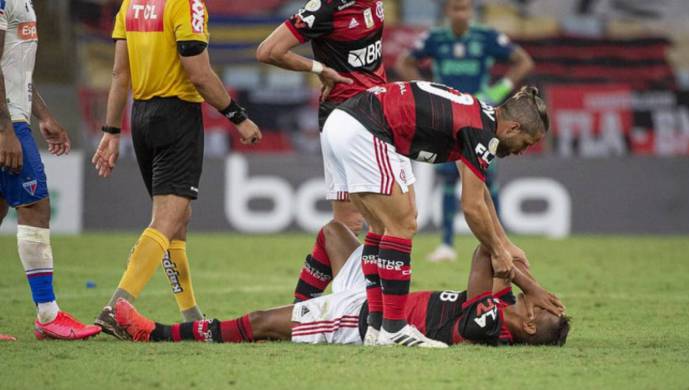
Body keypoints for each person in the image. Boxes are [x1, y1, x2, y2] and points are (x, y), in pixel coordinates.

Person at [321, 81, 548, 347]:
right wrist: (498, 252)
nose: (522, 151)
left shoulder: (480, 118)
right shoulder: (482, 133)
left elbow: (479, 190)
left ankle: (376, 325)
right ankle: (394, 329)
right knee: (402, 223)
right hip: (366, 128)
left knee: (380, 226)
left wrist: (505, 244)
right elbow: (471, 206)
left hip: (341, 122)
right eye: (526, 143)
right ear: (513, 127)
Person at [111, 221, 568, 347]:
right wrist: (526, 281)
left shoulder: (490, 326)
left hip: (363, 319)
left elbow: (485, 260)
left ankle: (153, 333)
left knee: (257, 322)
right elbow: (487, 250)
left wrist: (529, 283)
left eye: (542, 309)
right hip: (369, 293)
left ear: (529, 326)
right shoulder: (504, 305)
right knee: (335, 233)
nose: (540, 304)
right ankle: (302, 313)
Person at [92, 0, 262, 338]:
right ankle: (116, 306)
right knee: (166, 220)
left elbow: (119, 74)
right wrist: (238, 117)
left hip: (140, 117)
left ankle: (191, 314)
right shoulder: (186, 4)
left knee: (177, 221)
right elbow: (198, 73)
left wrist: (111, 131)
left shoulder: (132, 4)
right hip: (177, 115)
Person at [256, 0, 412, 304]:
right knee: (395, 221)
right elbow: (268, 50)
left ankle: (300, 308)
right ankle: (376, 310)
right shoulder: (327, 7)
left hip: (369, 113)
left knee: (348, 224)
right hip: (357, 121)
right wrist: (319, 69)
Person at [395, 0, 534, 262]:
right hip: (447, 119)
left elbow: (523, 62)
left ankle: (499, 242)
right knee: (448, 178)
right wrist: (427, 92)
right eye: (456, 8)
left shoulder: (487, 37)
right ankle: (447, 244)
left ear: (472, 11)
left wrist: (498, 90)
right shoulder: (434, 38)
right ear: (447, 11)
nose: (461, 13)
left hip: (481, 117)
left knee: (487, 179)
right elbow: (405, 62)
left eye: (466, 8)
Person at [0, 0, 101, 340]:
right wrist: (5, 131)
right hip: (6, 122)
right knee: (36, 207)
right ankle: (48, 314)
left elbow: (15, 70)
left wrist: (42, 114)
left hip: (16, 115)